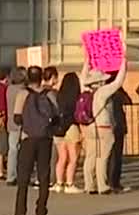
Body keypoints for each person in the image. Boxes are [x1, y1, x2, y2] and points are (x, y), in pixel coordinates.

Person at [9, 66, 60, 215]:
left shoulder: (23, 94)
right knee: (43, 177)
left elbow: (17, 118)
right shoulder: (50, 94)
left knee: (23, 177)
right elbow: (57, 116)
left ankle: (20, 214)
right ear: (41, 78)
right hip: (45, 138)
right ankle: (40, 214)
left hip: (28, 138)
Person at [79, 56, 128, 196]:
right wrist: (124, 63)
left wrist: (87, 61)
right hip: (103, 127)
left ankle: (89, 185)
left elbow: (83, 75)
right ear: (100, 81)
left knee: (90, 156)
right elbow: (118, 82)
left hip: (89, 127)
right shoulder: (102, 92)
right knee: (102, 157)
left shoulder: (85, 89)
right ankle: (102, 185)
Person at [53, 72, 84, 194]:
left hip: (59, 128)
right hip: (71, 127)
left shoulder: (59, 96)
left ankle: (59, 182)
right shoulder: (75, 98)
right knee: (73, 157)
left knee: (62, 157)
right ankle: (69, 183)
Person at [4, 67, 27, 185]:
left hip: (11, 123)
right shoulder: (22, 91)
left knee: (12, 149)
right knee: (23, 151)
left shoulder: (9, 89)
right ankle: (20, 174)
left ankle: (11, 175)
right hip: (22, 123)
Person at [108, 85, 132, 193]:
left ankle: (113, 181)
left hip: (117, 127)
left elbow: (128, 101)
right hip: (116, 127)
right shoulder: (112, 93)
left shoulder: (115, 93)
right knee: (115, 156)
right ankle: (113, 182)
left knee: (116, 156)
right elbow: (127, 100)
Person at [42, 66, 61, 188]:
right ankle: (51, 178)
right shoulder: (52, 93)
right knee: (53, 155)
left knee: (42, 155)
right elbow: (57, 108)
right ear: (53, 77)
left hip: (39, 125)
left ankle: (42, 177)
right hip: (51, 125)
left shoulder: (38, 91)